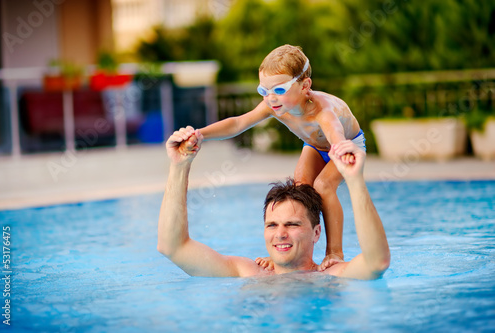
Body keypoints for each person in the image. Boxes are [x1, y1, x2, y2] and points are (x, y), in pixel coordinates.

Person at [196, 44, 365, 270]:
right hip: (315, 145)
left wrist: (341, 151)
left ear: (305, 86)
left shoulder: (321, 109)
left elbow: (335, 132)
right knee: (300, 191)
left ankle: (334, 251)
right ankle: (290, 254)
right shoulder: (274, 105)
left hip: (346, 145)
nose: (271, 98)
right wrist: (200, 134)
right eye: (263, 91)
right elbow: (238, 123)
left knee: (323, 186)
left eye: (279, 90)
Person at [157, 126, 390, 280]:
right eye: (272, 225)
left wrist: (355, 180)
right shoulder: (247, 272)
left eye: (292, 224)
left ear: (317, 232)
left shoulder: (331, 276)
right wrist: (180, 166)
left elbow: (377, 261)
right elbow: (173, 247)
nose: (280, 234)